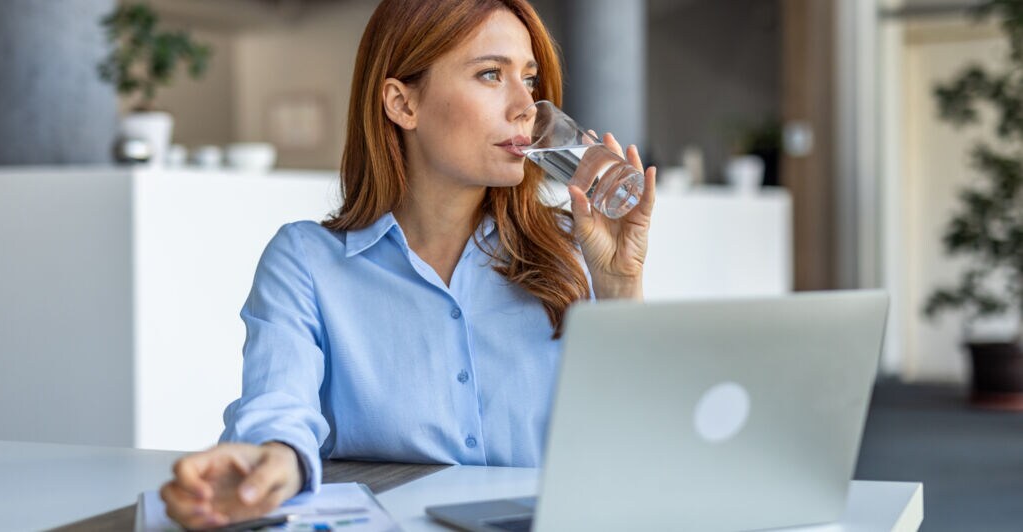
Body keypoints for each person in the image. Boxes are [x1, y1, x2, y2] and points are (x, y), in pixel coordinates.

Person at [160, 0, 656, 528]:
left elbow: (639, 448)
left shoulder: (574, 248)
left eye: (529, 79)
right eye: (491, 74)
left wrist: (619, 286)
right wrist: (269, 466)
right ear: (402, 104)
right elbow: (279, 409)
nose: (525, 107)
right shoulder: (306, 262)